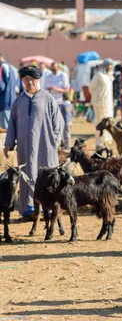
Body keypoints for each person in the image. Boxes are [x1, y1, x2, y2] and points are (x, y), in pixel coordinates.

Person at [4, 66, 64, 220]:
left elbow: (58, 122)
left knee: (46, 176)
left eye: (32, 79)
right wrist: (9, 143)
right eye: (26, 79)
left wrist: (54, 141)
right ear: (22, 80)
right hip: (24, 148)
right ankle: (28, 209)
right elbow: (12, 123)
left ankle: (48, 209)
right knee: (26, 176)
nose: (29, 82)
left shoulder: (48, 98)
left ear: (38, 80)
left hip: (45, 145)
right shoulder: (18, 101)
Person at [90, 60, 115, 148]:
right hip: (100, 103)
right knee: (100, 122)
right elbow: (91, 88)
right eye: (108, 65)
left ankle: (106, 142)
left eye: (111, 65)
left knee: (109, 122)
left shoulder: (109, 76)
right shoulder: (99, 75)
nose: (109, 67)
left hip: (108, 103)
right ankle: (99, 144)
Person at [0, 54, 17, 129]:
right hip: (10, 100)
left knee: (5, 128)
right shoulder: (10, 66)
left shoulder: (2, 67)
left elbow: (1, 86)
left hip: (4, 101)